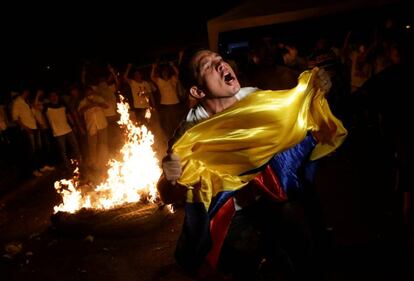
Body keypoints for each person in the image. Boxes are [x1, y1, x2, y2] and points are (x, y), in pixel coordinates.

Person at [157, 48, 347, 280]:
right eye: (208, 65)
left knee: (302, 250)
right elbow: (167, 195)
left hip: (273, 195)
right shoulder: (190, 133)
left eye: (220, 59)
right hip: (234, 215)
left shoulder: (256, 100)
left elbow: (296, 112)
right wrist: (170, 177)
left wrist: (315, 89)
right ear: (197, 90)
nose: (221, 65)